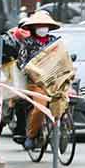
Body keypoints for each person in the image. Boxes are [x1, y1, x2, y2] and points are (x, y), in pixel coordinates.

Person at [15, 11, 62, 150]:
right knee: (40, 108)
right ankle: (31, 135)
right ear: (34, 28)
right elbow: (21, 62)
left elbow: (62, 58)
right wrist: (31, 69)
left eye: (45, 25)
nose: (42, 28)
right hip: (36, 83)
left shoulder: (55, 41)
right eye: (39, 25)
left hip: (54, 80)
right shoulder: (28, 43)